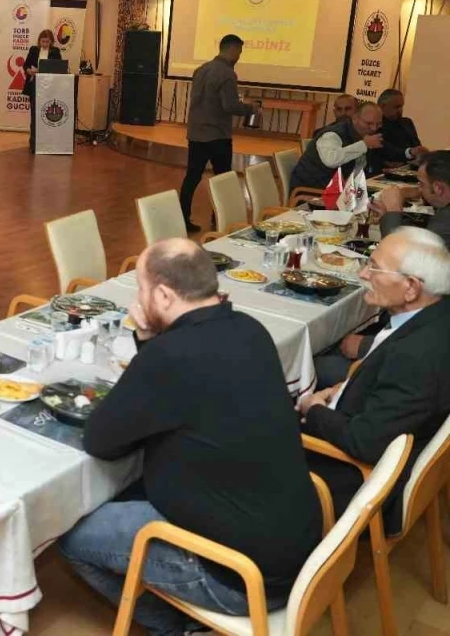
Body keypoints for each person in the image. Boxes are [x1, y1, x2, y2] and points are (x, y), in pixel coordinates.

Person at [61, 239, 321, 636]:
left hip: (239, 576)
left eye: (141, 289)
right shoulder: (249, 328)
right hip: (292, 543)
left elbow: (101, 441)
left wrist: (149, 346)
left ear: (164, 295)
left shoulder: (172, 356)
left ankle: (172, 628)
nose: (138, 299)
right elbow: (181, 392)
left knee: (70, 535)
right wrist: (151, 341)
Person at [299, 227, 450, 533]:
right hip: (382, 440)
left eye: (374, 267)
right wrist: (346, 386)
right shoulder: (435, 318)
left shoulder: (414, 356)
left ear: (411, 287)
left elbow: (364, 442)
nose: (364, 274)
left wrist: (313, 410)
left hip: (352, 483)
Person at [178, 34, 260, 232]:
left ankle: (182, 218)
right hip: (217, 135)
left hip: (197, 132)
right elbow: (229, 106)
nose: (239, 56)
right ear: (232, 49)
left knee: (192, 177)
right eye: (239, 52)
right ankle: (220, 219)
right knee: (223, 179)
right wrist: (250, 108)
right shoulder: (227, 73)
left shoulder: (201, 69)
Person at [288, 102, 384, 196]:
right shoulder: (332, 134)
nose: (374, 128)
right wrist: (364, 144)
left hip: (340, 190)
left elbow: (358, 167)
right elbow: (331, 160)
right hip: (312, 193)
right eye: (368, 123)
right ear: (355, 118)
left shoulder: (360, 134)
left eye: (379, 124)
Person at [376, 150, 450, 243]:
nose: (419, 189)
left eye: (422, 184)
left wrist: (393, 209)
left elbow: (396, 249)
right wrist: (387, 216)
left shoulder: (444, 221)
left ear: (438, 188)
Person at [24, 29, 62, 152]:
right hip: (34, 85)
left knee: (48, 115)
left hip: (49, 87)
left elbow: (59, 68)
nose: (44, 44)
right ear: (39, 41)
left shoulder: (55, 51)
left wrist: (43, 71)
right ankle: (33, 144)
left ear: (51, 42)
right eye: (42, 41)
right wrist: (29, 71)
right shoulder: (33, 50)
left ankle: (47, 142)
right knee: (34, 115)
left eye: (47, 42)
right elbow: (26, 65)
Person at [376, 87, 428, 165]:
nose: (400, 110)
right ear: (382, 106)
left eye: (401, 106)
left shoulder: (407, 123)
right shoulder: (376, 126)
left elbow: (417, 146)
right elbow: (383, 151)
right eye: (396, 107)